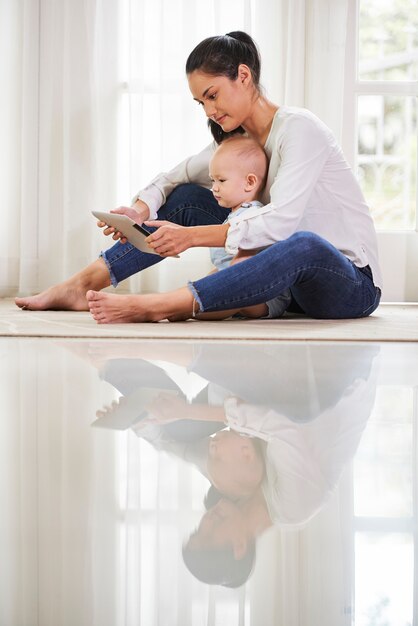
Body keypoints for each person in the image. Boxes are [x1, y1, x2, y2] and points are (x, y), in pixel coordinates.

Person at [15, 31, 382, 324]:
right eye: (201, 103)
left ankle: (162, 305)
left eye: (212, 95)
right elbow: (171, 179)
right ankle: (81, 286)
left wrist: (189, 238)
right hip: (287, 289)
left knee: (305, 242)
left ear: (243, 75)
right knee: (189, 196)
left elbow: (283, 222)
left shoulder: (299, 129)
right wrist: (141, 211)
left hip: (348, 282)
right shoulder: (236, 144)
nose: (209, 110)